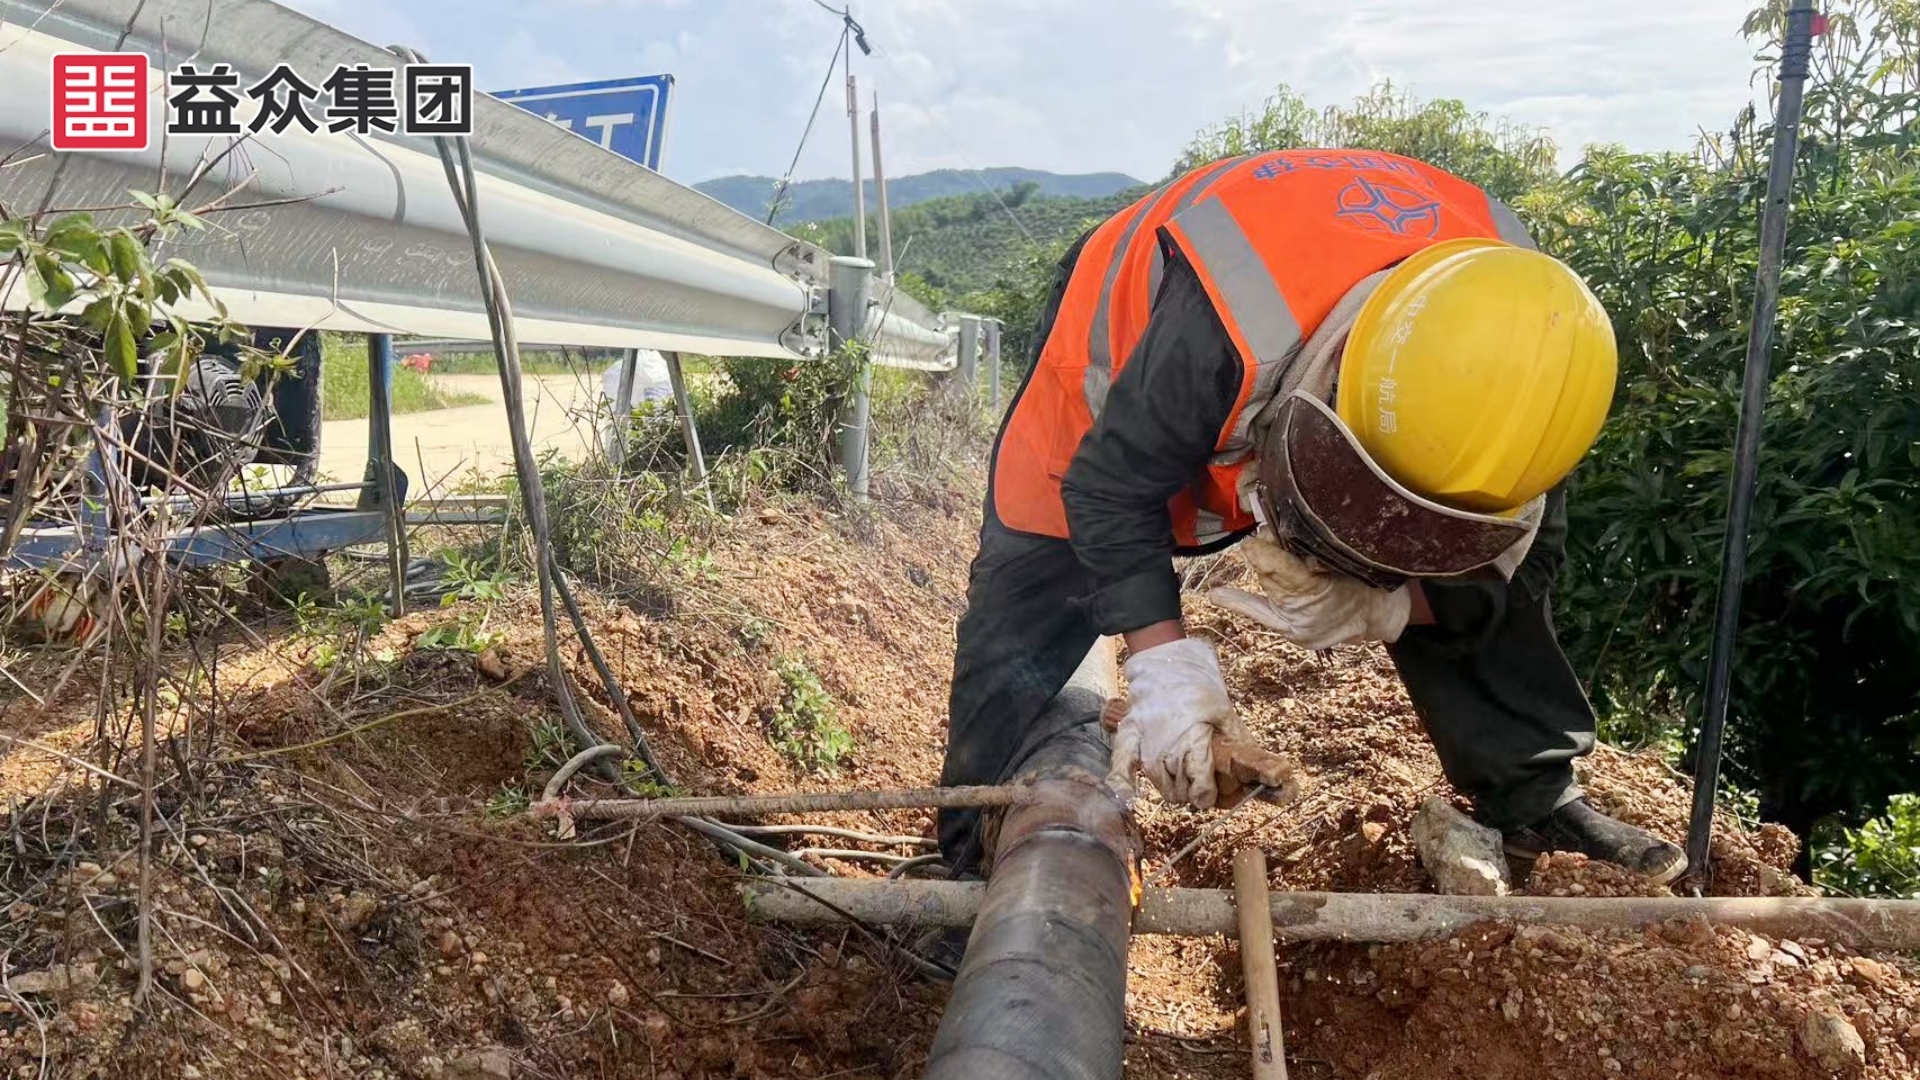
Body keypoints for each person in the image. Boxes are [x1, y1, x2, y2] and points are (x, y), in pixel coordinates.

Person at [940, 148, 1686, 886]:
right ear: (1331, 394)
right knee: (1032, 591)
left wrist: (1391, 602)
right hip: (1129, 342)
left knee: (1478, 581)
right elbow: (1109, 488)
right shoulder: (1226, 318)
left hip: (1322, 336)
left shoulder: (1533, 368)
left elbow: (1519, 570)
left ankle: (1535, 799)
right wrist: (1165, 669)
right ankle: (977, 848)